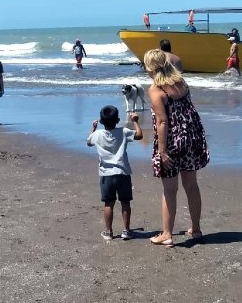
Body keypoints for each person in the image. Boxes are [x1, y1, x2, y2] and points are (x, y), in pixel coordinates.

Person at [143, 49, 210, 247]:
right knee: (191, 186)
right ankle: (196, 229)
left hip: (171, 142)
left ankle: (167, 234)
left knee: (169, 190)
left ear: (150, 68)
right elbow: (176, 61)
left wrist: (162, 151)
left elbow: (162, 122)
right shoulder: (181, 82)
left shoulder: (156, 90)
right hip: (190, 137)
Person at [87, 105, 143, 241]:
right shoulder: (123, 131)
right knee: (125, 202)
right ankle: (126, 230)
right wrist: (135, 121)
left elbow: (89, 142)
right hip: (122, 172)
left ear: (101, 121)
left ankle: (109, 232)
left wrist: (93, 128)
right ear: (118, 120)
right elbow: (139, 135)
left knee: (108, 203)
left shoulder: (97, 134)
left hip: (106, 174)